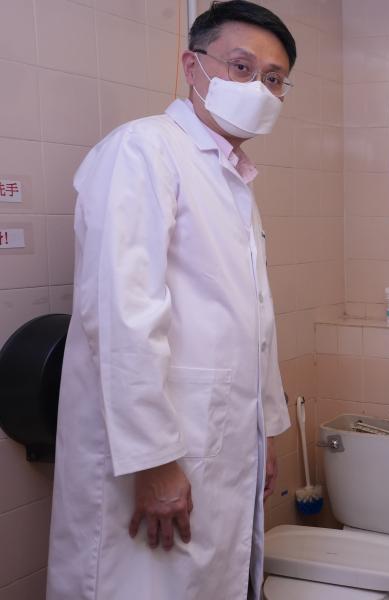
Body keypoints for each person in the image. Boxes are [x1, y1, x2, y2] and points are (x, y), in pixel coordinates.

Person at [46, 2, 296, 598]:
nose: (257, 87)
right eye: (241, 66)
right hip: (154, 457)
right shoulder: (144, 150)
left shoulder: (232, 176)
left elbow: (252, 325)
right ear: (193, 65)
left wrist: (263, 434)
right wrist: (154, 462)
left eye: (273, 78)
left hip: (218, 449)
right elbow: (123, 316)